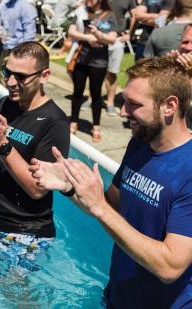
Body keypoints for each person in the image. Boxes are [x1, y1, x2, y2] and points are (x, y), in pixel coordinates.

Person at [30, 56, 192, 308]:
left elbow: (170, 266)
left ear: (170, 106)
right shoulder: (139, 143)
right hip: (120, 296)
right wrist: (70, 186)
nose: (123, 112)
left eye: (134, 104)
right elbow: (113, 206)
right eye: (124, 101)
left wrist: (100, 207)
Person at [0, 42, 70, 271]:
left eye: (20, 76)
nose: (9, 82)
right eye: (7, 72)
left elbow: (38, 189)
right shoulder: (5, 104)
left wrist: (2, 144)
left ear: (44, 75)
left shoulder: (54, 121)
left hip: (26, 233)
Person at [66, 0, 117, 142]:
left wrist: (98, 35)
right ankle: (73, 122)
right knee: (77, 92)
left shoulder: (109, 15)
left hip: (99, 62)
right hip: (81, 59)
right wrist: (87, 37)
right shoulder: (81, 11)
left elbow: (112, 39)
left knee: (96, 95)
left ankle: (96, 127)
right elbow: (71, 31)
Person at [104, 0, 135, 116]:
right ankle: (92, 99)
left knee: (112, 71)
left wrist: (130, 34)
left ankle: (110, 103)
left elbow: (134, 16)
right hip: (99, 37)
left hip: (117, 39)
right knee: (95, 70)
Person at [0, 0, 37, 82]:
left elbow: (29, 35)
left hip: (19, 52)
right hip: (6, 49)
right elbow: (1, 23)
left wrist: (22, 54)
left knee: (16, 83)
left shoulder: (27, 7)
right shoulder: (5, 5)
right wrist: (2, 34)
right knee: (1, 79)